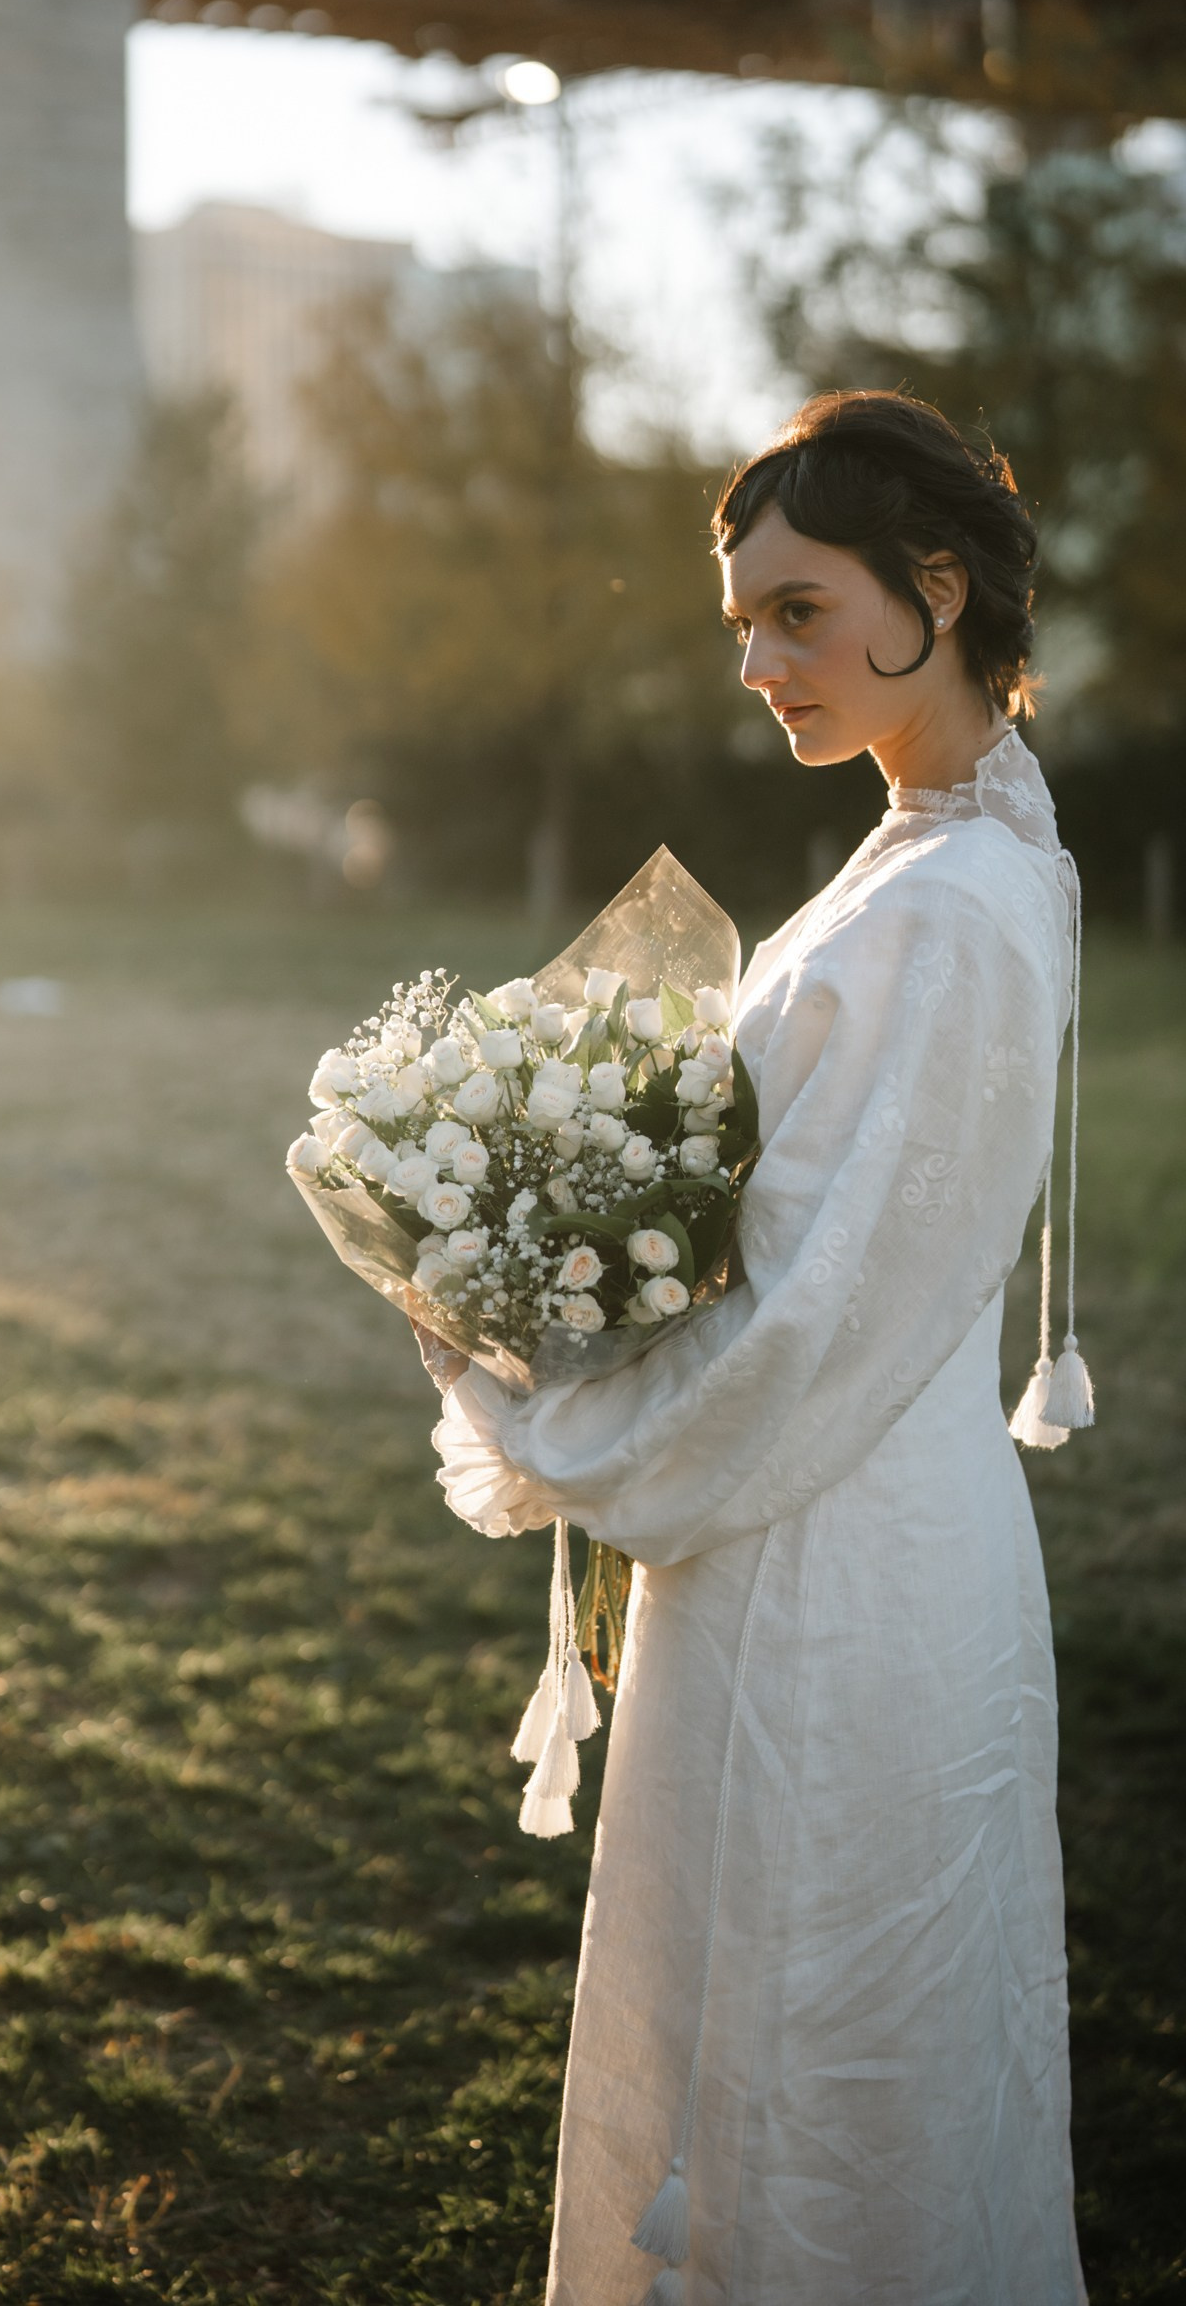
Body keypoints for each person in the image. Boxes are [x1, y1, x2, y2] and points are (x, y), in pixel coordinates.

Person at [430, 389, 1086, 2305]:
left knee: (822, 2062)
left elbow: (808, 1323)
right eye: (741, 623)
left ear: (934, 591)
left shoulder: (958, 905)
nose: (759, 661)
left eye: (798, 611)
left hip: (841, 1552)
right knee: (768, 2027)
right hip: (831, 1516)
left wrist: (535, 1402)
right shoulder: (933, 845)